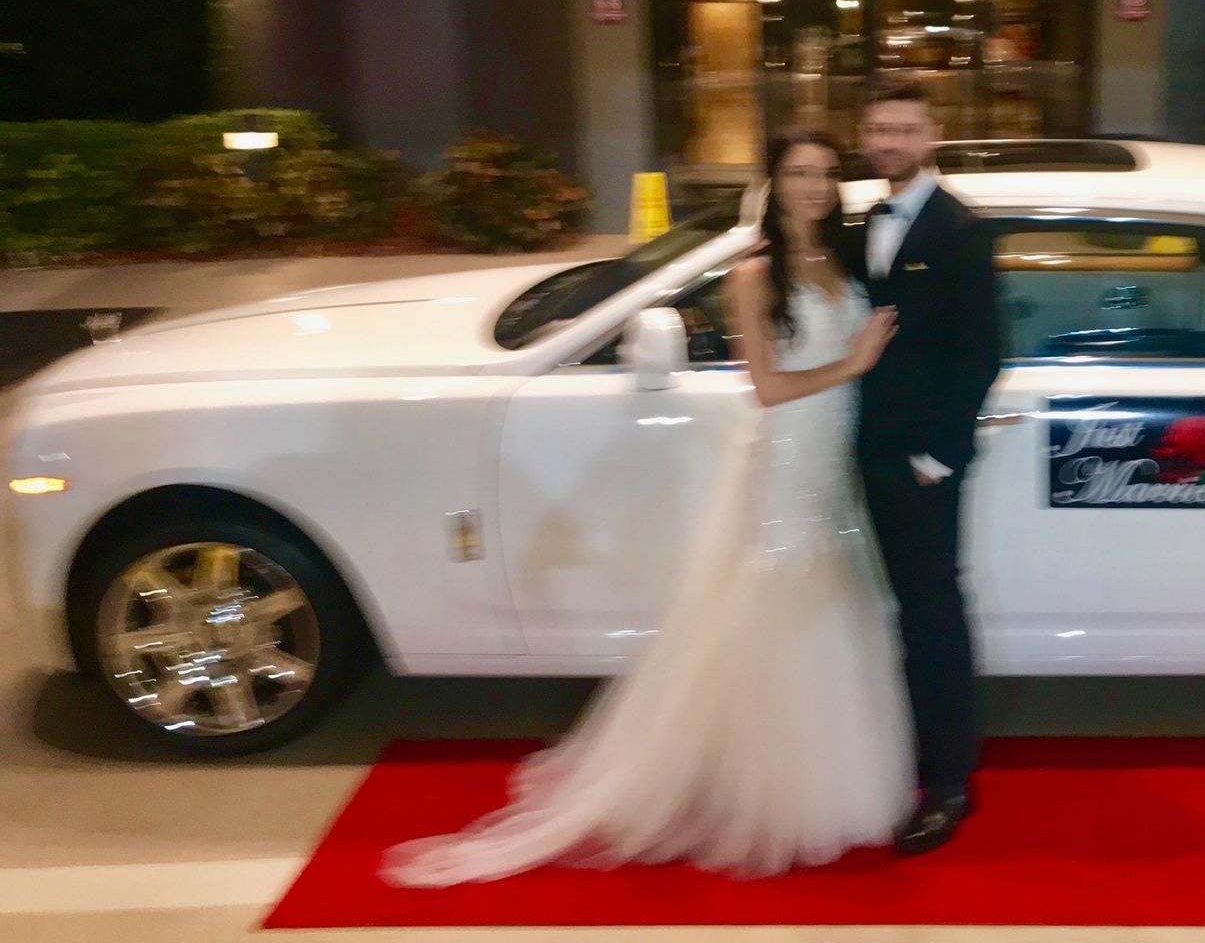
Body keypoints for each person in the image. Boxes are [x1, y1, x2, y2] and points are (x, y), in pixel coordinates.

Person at [380, 130, 914, 885]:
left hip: (836, 461)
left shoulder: (842, 259)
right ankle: (773, 790)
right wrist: (852, 363)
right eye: (799, 173)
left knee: (833, 617)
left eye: (826, 174)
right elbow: (764, 387)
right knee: (778, 618)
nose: (815, 187)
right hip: (789, 460)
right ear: (773, 183)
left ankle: (826, 770)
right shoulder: (751, 272)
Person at [852, 80, 1005, 855]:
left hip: (916, 462)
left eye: (907, 129)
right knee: (898, 612)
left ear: (933, 134)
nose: (892, 142)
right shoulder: (863, 221)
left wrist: (938, 456)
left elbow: (983, 353)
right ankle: (907, 748)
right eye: (881, 128)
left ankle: (950, 781)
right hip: (860, 449)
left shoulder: (956, 228)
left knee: (932, 614)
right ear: (865, 133)